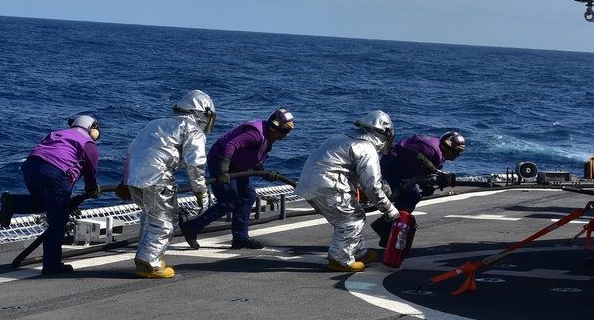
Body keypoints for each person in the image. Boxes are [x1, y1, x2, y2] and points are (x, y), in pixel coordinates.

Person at [120, 90, 215, 279]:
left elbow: (133, 149)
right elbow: (195, 164)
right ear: (203, 113)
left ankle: (144, 258)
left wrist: (124, 181)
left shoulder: (155, 123)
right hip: (158, 178)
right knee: (165, 222)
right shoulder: (192, 130)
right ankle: (150, 264)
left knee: (150, 217)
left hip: (135, 178)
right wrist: (200, 191)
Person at [295, 110, 399, 272]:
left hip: (310, 183)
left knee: (353, 214)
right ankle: (340, 259)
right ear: (384, 134)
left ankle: (358, 252)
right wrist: (388, 208)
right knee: (351, 219)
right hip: (329, 186)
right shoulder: (367, 148)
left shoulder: (341, 138)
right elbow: (372, 184)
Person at [0, 115, 102, 274]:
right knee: (58, 220)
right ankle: (52, 264)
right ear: (92, 128)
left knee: (44, 202)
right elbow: (90, 174)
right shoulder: (89, 144)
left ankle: (13, 202)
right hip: (54, 173)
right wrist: (92, 190)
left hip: (30, 168)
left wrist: (66, 201)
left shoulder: (57, 134)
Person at [179, 108, 294, 250]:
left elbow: (254, 154)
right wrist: (223, 169)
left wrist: (262, 171)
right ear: (274, 127)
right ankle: (191, 227)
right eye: (284, 131)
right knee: (230, 200)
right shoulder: (255, 134)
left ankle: (240, 238)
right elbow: (231, 145)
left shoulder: (269, 136)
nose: (287, 134)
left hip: (237, 165)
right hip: (220, 161)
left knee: (248, 196)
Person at [371, 131, 466, 247]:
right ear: (448, 148)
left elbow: (421, 171)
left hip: (403, 167)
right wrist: (423, 159)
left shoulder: (440, 155)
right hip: (392, 164)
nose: (458, 155)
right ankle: (383, 225)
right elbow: (408, 149)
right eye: (457, 152)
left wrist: (426, 186)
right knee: (410, 196)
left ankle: (387, 227)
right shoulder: (431, 151)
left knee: (412, 197)